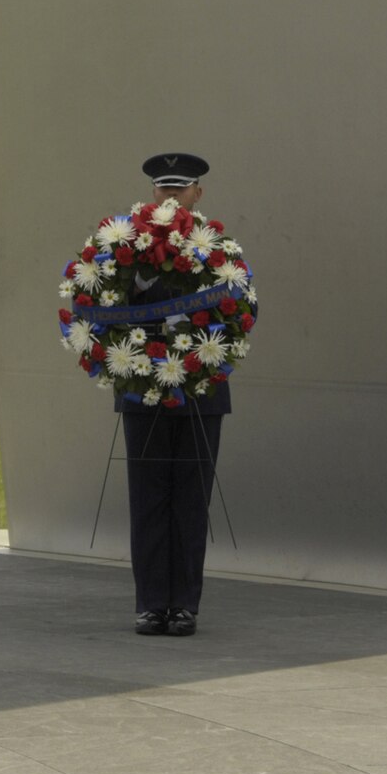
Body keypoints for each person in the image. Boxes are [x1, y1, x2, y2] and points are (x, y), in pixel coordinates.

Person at [122, 152, 230, 637]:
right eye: (163, 189)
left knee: (190, 501)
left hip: (199, 392)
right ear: (152, 195)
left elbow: (238, 311)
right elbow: (105, 305)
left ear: (196, 195)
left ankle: (184, 604)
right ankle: (150, 604)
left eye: (180, 189)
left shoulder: (219, 249)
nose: (170, 197)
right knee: (148, 499)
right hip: (142, 389)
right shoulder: (120, 247)